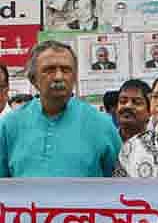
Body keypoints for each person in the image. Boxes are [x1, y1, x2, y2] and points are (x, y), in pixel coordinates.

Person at [0, 40, 121, 177]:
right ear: (33, 79)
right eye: (49, 70)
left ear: (74, 78)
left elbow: (117, 185)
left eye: (66, 70)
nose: (58, 77)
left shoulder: (102, 125)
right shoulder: (9, 126)